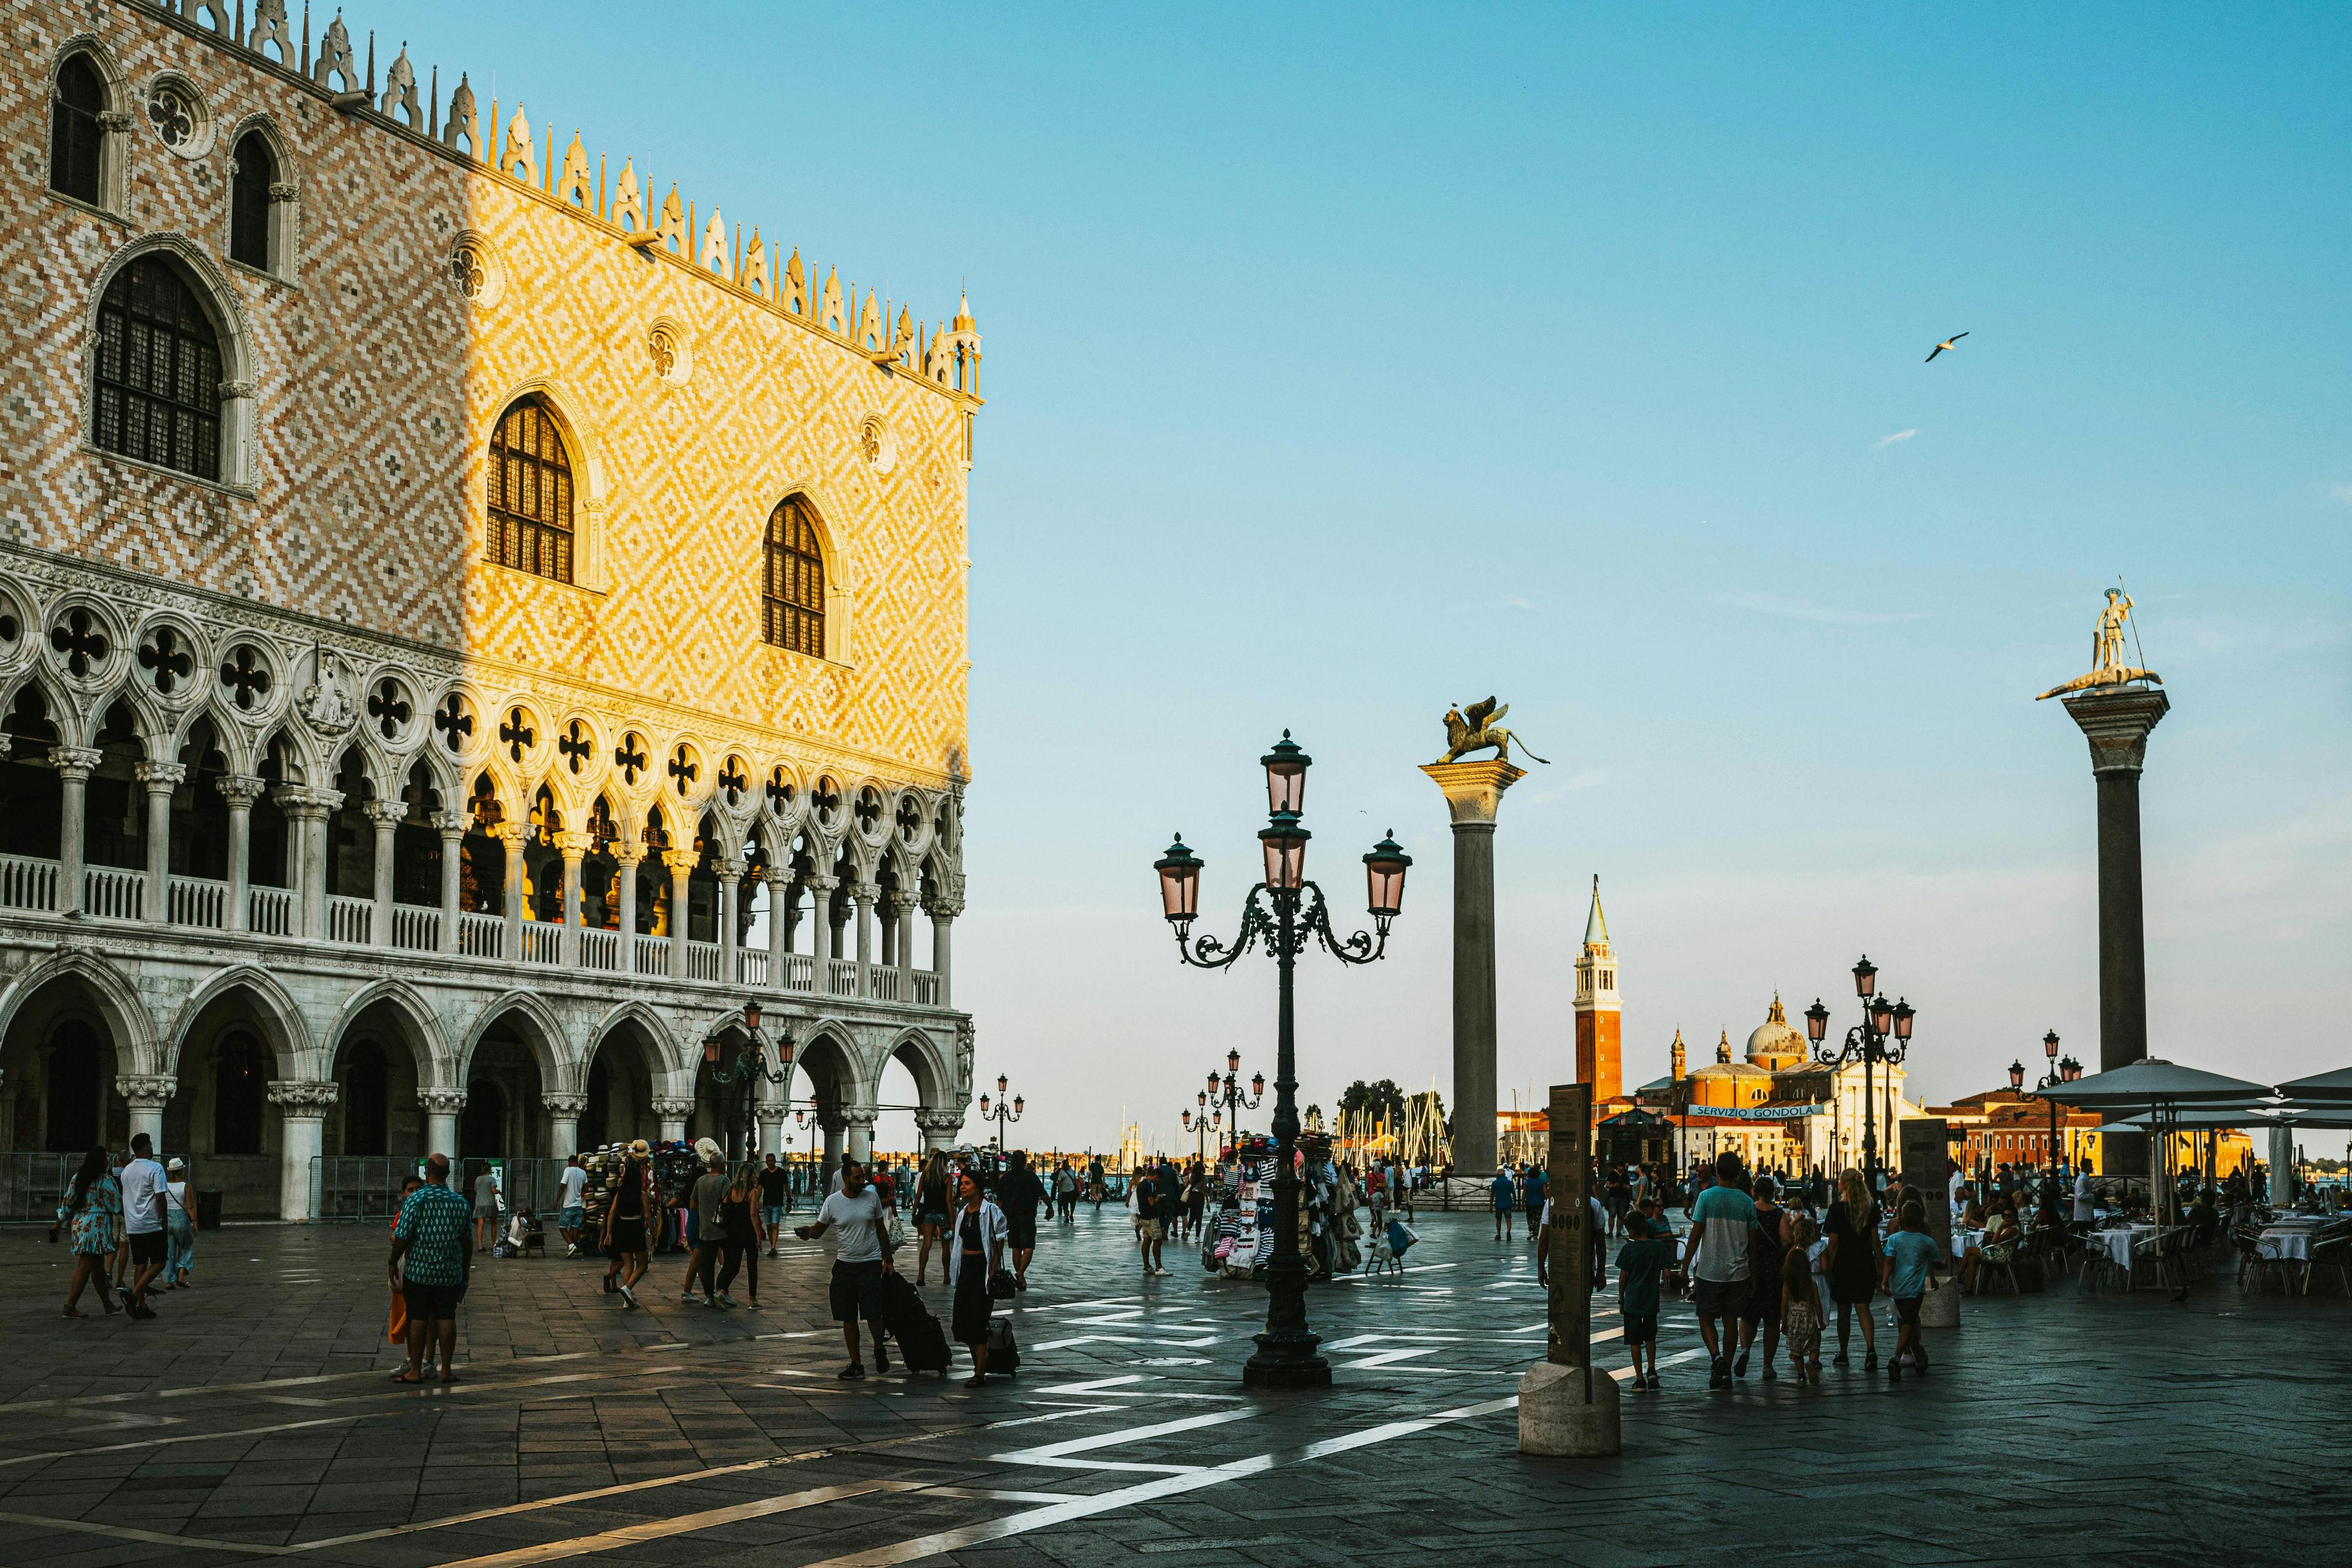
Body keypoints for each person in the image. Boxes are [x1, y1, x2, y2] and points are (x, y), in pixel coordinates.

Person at [797, 1159, 896, 1379]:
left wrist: (887, 1259)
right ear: (846, 1178)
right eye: (857, 1178)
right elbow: (819, 1230)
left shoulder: (872, 1199)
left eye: (863, 1177)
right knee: (848, 1317)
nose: (862, 1181)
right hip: (845, 1265)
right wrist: (807, 1232)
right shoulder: (833, 1202)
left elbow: (881, 1230)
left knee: (873, 1314)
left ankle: (879, 1347)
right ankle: (856, 1363)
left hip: (870, 1263)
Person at [389, 1153, 470, 1383]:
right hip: (450, 1271)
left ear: (428, 1172)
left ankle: (415, 1369)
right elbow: (467, 1241)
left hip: (420, 1271)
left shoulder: (416, 1200)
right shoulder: (460, 1202)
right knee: (446, 1317)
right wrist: (465, 1270)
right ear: (447, 1174)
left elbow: (402, 1236)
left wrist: (393, 1262)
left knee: (418, 1318)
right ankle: (446, 1369)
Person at [1681, 1152, 1755, 1389]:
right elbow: (1753, 1244)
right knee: (1731, 1321)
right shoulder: (1746, 1202)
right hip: (1739, 1272)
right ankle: (1727, 1371)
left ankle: (1717, 1358)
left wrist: (1684, 1268)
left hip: (1710, 1270)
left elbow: (1695, 1235)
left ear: (1717, 1173)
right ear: (1738, 1173)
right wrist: (1753, 1274)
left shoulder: (1706, 1197)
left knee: (1705, 1317)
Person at [945, 1169, 1010, 1386]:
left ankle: (980, 1372)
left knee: (978, 1320)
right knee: (963, 1322)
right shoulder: (964, 1212)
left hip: (982, 1269)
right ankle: (981, 1362)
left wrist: (991, 1271)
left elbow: (998, 1244)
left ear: (978, 1187)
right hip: (966, 1269)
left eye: (968, 1183)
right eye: (961, 1184)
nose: (963, 1187)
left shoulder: (991, 1211)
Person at [50, 1146, 121, 1317]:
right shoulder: (105, 1180)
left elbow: (67, 1204)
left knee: (97, 1266)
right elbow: (115, 1205)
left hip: (80, 1223)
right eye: (106, 1158)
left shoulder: (78, 1178)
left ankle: (108, 1304)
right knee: (85, 1266)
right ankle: (70, 1306)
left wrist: (57, 1224)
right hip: (96, 1226)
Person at [1822, 1167, 1881, 1370]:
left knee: (1844, 1311)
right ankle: (1870, 1348)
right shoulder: (1870, 1207)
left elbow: (1833, 1243)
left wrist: (1828, 1267)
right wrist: (1880, 1266)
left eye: (1840, 1181)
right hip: (1864, 1262)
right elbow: (1875, 1241)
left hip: (1844, 1265)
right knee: (1863, 1307)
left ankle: (1844, 1352)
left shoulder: (1837, 1210)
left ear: (1845, 1185)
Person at [1881, 1199, 1940, 1381]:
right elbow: (1933, 1262)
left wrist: (1884, 1282)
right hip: (1915, 1289)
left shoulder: (1893, 1239)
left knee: (1907, 1321)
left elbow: (1889, 1262)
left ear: (1901, 1219)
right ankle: (1896, 1358)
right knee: (1909, 1322)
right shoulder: (1927, 1242)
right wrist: (1933, 1279)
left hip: (1897, 1288)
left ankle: (1920, 1356)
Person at [1735, 1173, 1788, 1379]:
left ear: (1754, 1192)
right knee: (1772, 1320)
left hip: (1750, 1268)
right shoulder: (1778, 1214)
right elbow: (1787, 1240)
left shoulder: (1749, 1211)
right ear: (1773, 1193)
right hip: (1773, 1271)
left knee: (1748, 1316)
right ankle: (1767, 1365)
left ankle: (1746, 1349)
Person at [1615, 1213, 1672, 1389]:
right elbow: (1668, 1274)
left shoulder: (1628, 1250)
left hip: (1632, 1300)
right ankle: (1652, 1370)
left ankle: (1639, 1378)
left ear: (1631, 1231)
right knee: (1650, 1337)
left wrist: (1621, 1300)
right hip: (1651, 1300)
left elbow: (1623, 1277)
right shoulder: (1658, 1247)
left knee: (1634, 1341)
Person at [118, 1133, 168, 1320]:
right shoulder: (156, 1168)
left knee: (140, 1263)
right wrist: (165, 1220)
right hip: (151, 1223)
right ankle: (134, 1293)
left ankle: (140, 1305)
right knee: (160, 1261)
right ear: (148, 1148)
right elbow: (160, 1197)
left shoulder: (127, 1171)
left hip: (133, 1225)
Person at [601, 1140, 657, 1308]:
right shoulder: (642, 1195)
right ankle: (627, 1288)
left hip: (621, 1229)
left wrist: (609, 1234)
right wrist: (653, 1234)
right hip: (635, 1228)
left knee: (627, 1266)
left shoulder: (620, 1194)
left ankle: (627, 1299)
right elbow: (647, 1216)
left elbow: (611, 1214)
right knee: (642, 1265)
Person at [1780, 1215, 1825, 1385]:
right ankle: (1812, 1362)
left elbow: (1784, 1305)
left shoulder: (1788, 1285)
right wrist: (1820, 1320)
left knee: (1797, 1351)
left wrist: (1783, 1322)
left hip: (1794, 1322)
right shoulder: (1811, 1284)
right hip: (1809, 1321)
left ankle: (1801, 1376)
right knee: (1813, 1346)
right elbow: (1818, 1304)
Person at [684, 1147, 731, 1306]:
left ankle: (709, 1296)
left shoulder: (701, 1180)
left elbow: (692, 1204)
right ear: (722, 1165)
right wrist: (717, 1217)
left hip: (704, 1229)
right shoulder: (724, 1181)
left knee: (707, 1265)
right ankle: (723, 1290)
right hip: (722, 1229)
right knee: (730, 1261)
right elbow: (726, 1202)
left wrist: (704, 1213)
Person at [715, 1164, 760, 1309]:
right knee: (752, 1266)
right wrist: (758, 1235)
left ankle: (721, 1291)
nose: (756, 1176)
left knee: (733, 1263)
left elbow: (723, 1206)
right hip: (748, 1233)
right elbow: (753, 1214)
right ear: (749, 1175)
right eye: (754, 1174)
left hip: (733, 1233)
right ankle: (752, 1300)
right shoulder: (752, 1192)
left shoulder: (732, 1190)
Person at [997, 1150, 1044, 1289]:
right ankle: (1020, 1273)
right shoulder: (1031, 1177)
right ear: (1024, 1162)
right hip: (1027, 1217)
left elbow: (999, 1202)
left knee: (1016, 1248)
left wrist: (997, 1218)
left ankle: (1021, 1279)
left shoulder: (1005, 1178)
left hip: (1011, 1218)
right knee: (1028, 1248)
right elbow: (1044, 1194)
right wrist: (1050, 1208)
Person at [913, 1152, 954, 1285]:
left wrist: (914, 1213)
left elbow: (918, 1196)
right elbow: (949, 1200)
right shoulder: (947, 1177)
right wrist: (952, 1220)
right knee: (945, 1245)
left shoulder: (925, 1175)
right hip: (943, 1214)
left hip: (928, 1214)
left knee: (926, 1244)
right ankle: (946, 1276)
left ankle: (921, 1275)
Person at [162, 1156, 197, 1290]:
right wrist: (194, 1222)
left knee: (169, 1251)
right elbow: (190, 1207)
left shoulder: (164, 1185)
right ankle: (181, 1276)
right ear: (181, 1171)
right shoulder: (186, 1187)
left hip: (167, 1219)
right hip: (181, 1219)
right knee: (186, 1246)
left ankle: (169, 1281)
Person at [1132, 1166, 1164, 1275]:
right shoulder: (1150, 1185)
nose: (1158, 1182)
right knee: (1157, 1240)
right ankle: (1159, 1268)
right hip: (1151, 1217)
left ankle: (1147, 1267)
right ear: (1155, 1176)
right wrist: (1158, 1198)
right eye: (1158, 1179)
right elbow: (1151, 1202)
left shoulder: (1141, 1184)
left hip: (1143, 1216)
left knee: (1147, 1240)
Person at [758, 1154, 791, 1256]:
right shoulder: (763, 1174)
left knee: (775, 1225)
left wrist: (789, 1201)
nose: (770, 1163)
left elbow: (787, 1187)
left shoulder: (781, 1173)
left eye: (771, 1161)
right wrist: (756, 1201)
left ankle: (773, 1247)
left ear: (775, 1161)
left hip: (777, 1202)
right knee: (768, 1226)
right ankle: (772, 1245)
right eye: (768, 1161)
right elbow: (760, 1188)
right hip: (767, 1202)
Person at [555, 1155, 588, 1259]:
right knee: (575, 1227)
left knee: (562, 1227)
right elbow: (586, 1188)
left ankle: (571, 1244)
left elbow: (562, 1186)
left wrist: (556, 1200)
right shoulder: (583, 1173)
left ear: (570, 1162)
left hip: (568, 1205)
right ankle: (573, 1247)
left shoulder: (568, 1170)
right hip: (578, 1205)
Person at [471, 1161, 500, 1254]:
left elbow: (476, 1190)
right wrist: (498, 1191)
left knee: (480, 1225)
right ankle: (493, 1245)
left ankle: (480, 1246)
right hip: (490, 1204)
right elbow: (494, 1191)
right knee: (493, 1224)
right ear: (490, 1169)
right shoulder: (492, 1179)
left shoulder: (478, 1179)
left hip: (480, 1203)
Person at [1491, 1167, 1517, 1241]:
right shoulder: (1509, 1182)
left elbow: (1492, 1195)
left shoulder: (1495, 1183)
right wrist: (1515, 1202)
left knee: (1498, 1220)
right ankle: (1508, 1231)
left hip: (1499, 1204)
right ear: (1505, 1174)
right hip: (1508, 1203)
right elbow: (1514, 1193)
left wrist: (1490, 1205)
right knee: (1508, 1219)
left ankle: (1499, 1234)